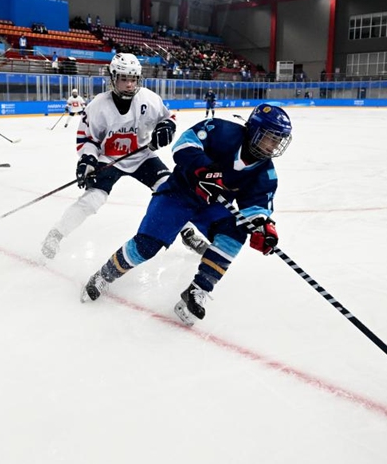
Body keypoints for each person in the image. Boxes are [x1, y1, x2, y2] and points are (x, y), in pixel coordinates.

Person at [79, 104, 293, 328]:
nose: (274, 146)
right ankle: (105, 274)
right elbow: (184, 142)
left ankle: (197, 290)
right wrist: (203, 169)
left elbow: (256, 207)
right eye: (270, 138)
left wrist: (262, 227)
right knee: (146, 245)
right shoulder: (222, 130)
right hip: (178, 194)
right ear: (255, 131)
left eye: (278, 141)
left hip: (211, 206)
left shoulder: (266, 173)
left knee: (235, 232)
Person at [40, 53, 177, 259]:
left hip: (141, 156)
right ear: (112, 77)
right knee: (92, 200)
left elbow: (168, 118)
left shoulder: (149, 99)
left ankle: (186, 231)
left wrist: (166, 127)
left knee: (172, 189)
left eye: (133, 79)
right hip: (110, 159)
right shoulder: (98, 105)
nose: (129, 84)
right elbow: (88, 139)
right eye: (124, 78)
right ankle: (56, 234)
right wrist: (87, 160)